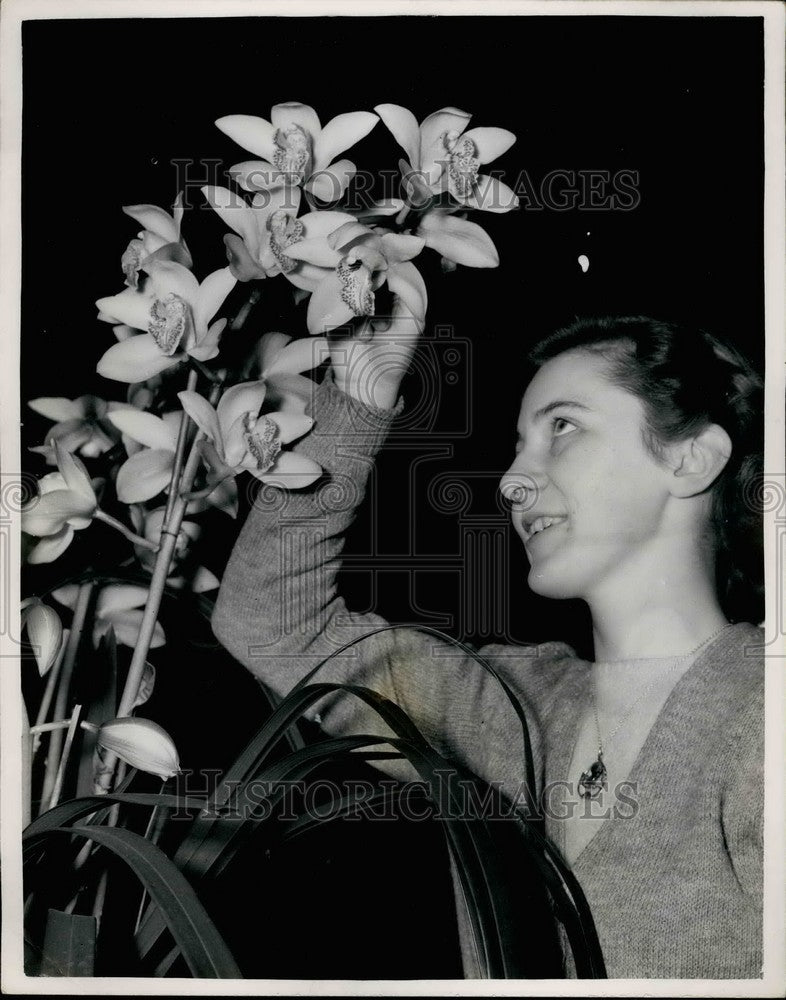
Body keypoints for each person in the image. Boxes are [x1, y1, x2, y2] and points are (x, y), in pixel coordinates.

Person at [212, 306, 764, 979]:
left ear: (690, 458)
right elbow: (270, 621)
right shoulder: (509, 710)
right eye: (518, 444)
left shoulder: (762, 708)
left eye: (563, 427)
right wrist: (358, 392)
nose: (510, 482)